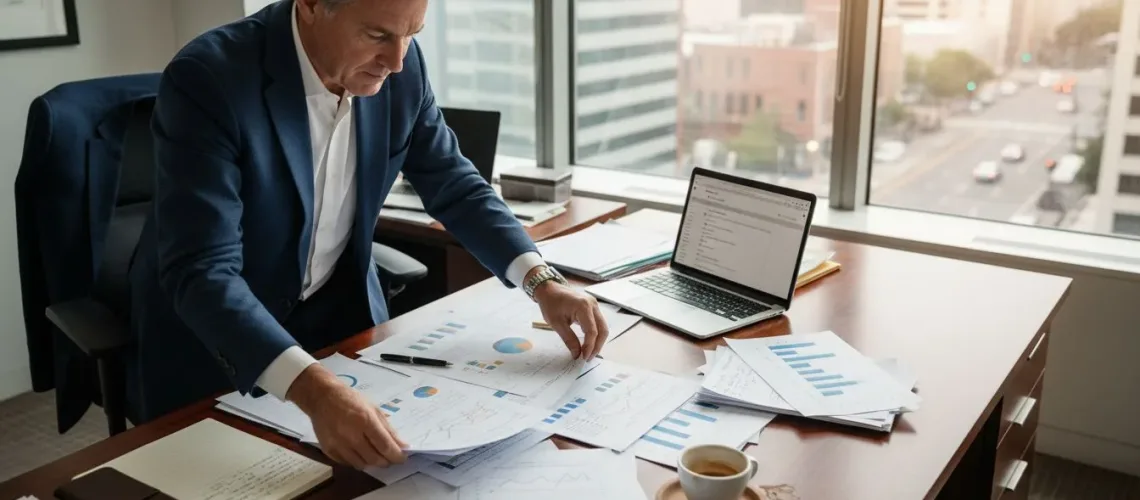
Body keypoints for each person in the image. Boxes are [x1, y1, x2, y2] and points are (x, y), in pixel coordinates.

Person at [127, 0, 609, 470]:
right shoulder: (209, 78)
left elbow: (453, 182)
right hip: (220, 346)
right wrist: (314, 391)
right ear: (312, 6)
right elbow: (202, 272)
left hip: (336, 324)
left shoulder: (402, 66)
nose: (397, 61)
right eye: (377, 35)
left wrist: (542, 280)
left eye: (411, 35)